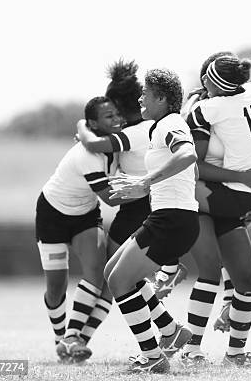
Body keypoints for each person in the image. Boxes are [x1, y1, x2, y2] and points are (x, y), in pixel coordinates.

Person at [74, 60, 189, 346]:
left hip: (143, 207)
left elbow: (91, 144)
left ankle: (83, 340)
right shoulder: (147, 127)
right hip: (142, 205)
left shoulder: (137, 132)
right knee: (121, 274)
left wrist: (82, 125)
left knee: (118, 278)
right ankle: (170, 330)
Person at [104, 68, 199, 373]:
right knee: (112, 272)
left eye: (145, 92)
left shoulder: (170, 124)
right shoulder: (159, 126)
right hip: (169, 217)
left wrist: (145, 183)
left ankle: (152, 355)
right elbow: (188, 172)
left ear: (161, 98)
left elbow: (188, 155)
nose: (140, 97)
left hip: (172, 220)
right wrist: (140, 182)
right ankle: (171, 331)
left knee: (119, 281)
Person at [180, 51, 251, 366]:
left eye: (207, 78)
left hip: (230, 195)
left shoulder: (209, 108)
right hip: (220, 194)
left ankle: (236, 353)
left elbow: (197, 166)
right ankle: (191, 350)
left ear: (214, 83)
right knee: (209, 272)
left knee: (247, 279)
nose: (203, 82)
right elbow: (193, 168)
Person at [36, 96, 126, 362]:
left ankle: (74, 338)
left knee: (98, 273)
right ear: (94, 124)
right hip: (52, 214)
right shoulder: (87, 154)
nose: (117, 120)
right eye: (109, 116)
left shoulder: (119, 141)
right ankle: (60, 339)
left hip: (86, 215)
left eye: (117, 114)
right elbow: (110, 198)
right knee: (56, 287)